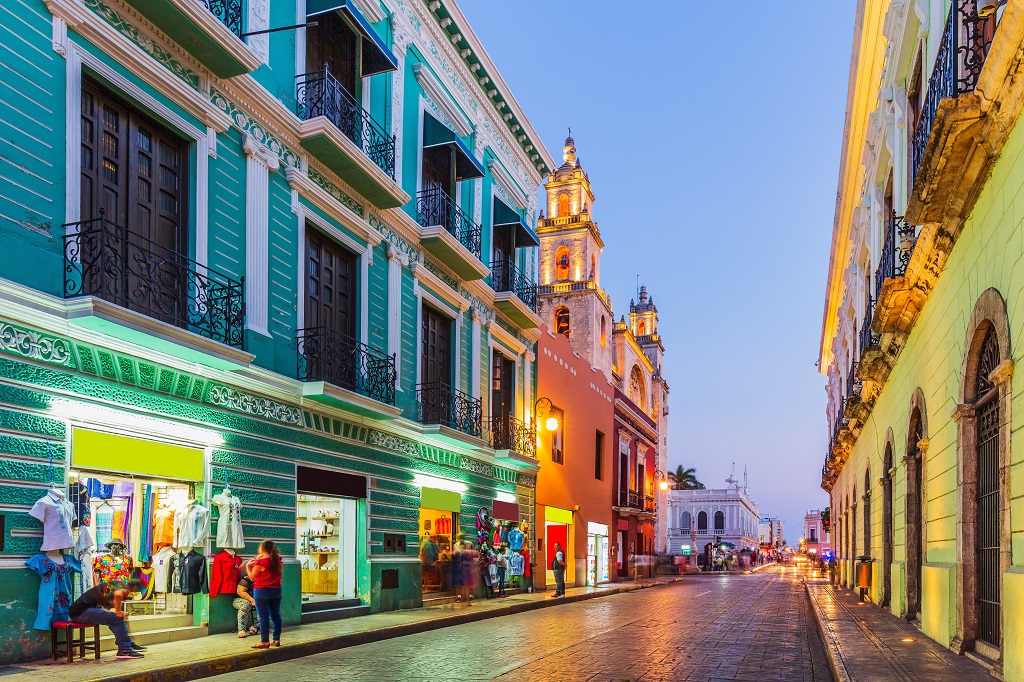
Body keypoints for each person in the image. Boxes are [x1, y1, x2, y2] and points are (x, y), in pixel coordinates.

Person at [68, 579, 146, 659]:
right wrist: (118, 612)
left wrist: (119, 612)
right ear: (135, 587)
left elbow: (110, 601)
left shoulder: (118, 584)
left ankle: (128, 644)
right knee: (117, 618)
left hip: (81, 610)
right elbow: (118, 595)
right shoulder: (122, 587)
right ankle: (124, 649)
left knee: (118, 617)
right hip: (81, 612)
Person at [248, 539, 282, 649]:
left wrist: (248, 566)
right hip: (276, 590)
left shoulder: (261, 562)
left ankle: (265, 641)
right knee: (275, 615)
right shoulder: (277, 559)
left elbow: (253, 577)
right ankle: (276, 638)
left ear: (262, 548)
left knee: (263, 617)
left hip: (262, 590)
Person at [233, 561, 260, 638]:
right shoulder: (246, 579)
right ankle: (241, 630)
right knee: (245, 605)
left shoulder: (260, 579)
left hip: (255, 601)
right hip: (239, 600)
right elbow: (240, 592)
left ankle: (255, 626)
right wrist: (252, 600)